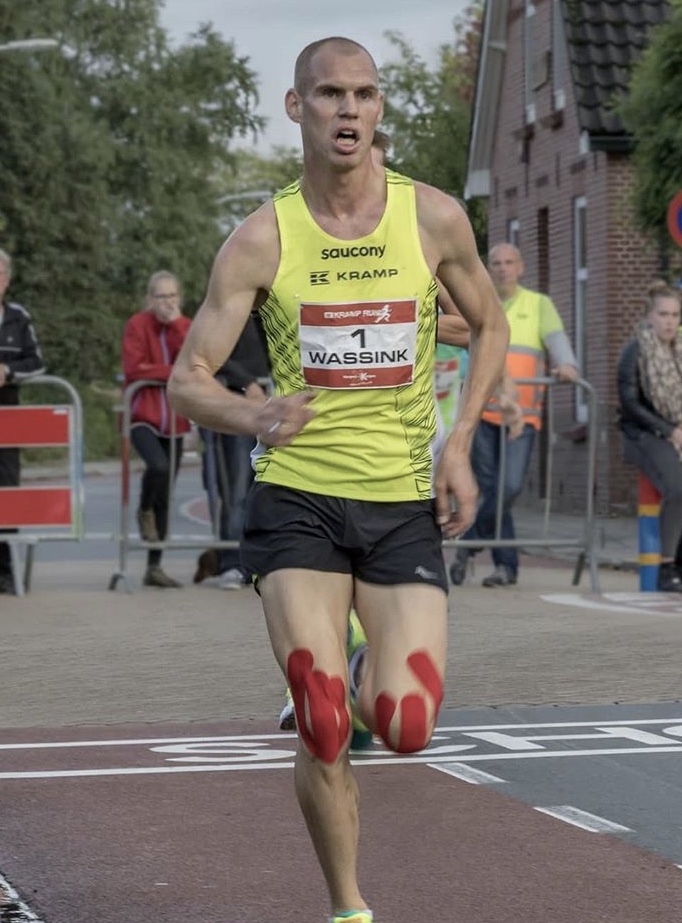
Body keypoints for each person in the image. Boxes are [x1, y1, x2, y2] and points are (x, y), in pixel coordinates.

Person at [168, 37, 509, 923]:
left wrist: (459, 442)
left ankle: (366, 666)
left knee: (404, 723)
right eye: (329, 94)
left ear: (379, 108)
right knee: (322, 719)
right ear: (298, 109)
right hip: (297, 499)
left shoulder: (432, 218)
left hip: (401, 501)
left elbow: (492, 323)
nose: (348, 110)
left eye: (363, 94)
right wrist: (256, 415)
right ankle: (350, 907)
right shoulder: (261, 238)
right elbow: (187, 380)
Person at [450, 242, 579, 588]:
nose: (503, 268)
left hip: (522, 416)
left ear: (520, 267)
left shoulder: (538, 305)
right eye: (496, 263)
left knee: (509, 487)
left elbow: (558, 342)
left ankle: (469, 543)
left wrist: (566, 364)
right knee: (491, 488)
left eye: (509, 262)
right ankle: (506, 566)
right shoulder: (479, 304)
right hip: (482, 414)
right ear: (488, 268)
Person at [121, 270, 191, 589]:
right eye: (161, 297)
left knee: (166, 493)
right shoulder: (137, 325)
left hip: (174, 420)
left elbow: (191, 361)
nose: (167, 303)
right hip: (142, 416)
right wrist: (172, 372)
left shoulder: (185, 326)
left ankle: (154, 566)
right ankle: (143, 508)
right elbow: (134, 369)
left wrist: (177, 324)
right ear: (150, 299)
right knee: (157, 467)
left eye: (172, 296)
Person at [194, 314, 271, 589]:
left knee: (265, 489)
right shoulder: (228, 307)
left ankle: (255, 562)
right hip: (236, 411)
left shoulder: (271, 308)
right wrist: (248, 382)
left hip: (271, 408)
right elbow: (211, 356)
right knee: (236, 491)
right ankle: (231, 563)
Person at [617, 280, 682, 592]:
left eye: (674, 315)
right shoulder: (636, 351)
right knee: (678, 488)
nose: (669, 321)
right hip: (642, 433)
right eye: (664, 314)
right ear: (650, 316)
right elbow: (630, 403)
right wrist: (670, 431)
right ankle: (667, 567)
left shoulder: (680, 351)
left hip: (676, 431)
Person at [0, 248, 45, 594]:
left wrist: (9, 371)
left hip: (9, 420)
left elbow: (38, 362)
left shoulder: (18, 316)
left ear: (7, 280)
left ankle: (6, 571)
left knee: (7, 495)